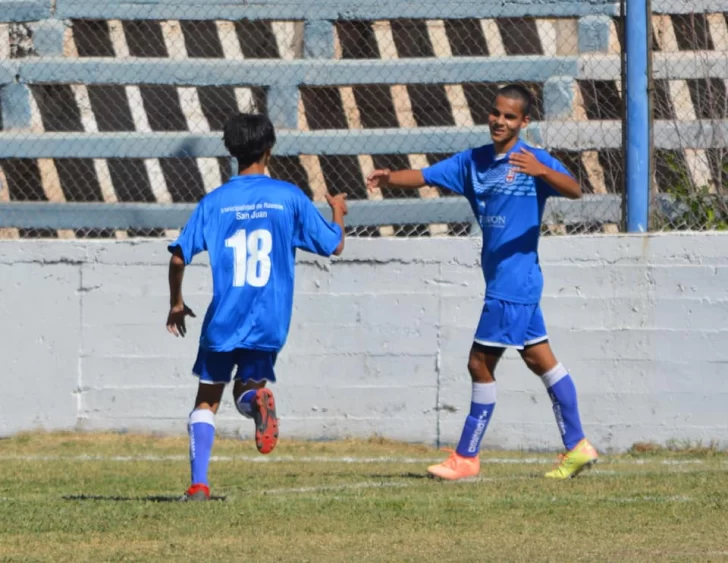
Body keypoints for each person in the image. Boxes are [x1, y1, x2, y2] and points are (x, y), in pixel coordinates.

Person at [366, 84, 598, 480]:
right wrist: (389, 178)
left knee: (478, 362)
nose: (499, 121)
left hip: (514, 283)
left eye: (510, 117)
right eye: (495, 113)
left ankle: (466, 457)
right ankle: (577, 446)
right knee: (539, 358)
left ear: (524, 123)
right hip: (510, 284)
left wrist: (544, 171)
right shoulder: (473, 162)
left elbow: (576, 190)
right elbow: (423, 175)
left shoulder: (533, 162)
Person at [166, 113, 348, 500]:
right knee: (245, 390)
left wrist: (177, 303)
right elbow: (334, 245)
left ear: (231, 151)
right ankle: (254, 401)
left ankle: (199, 485)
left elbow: (179, 258)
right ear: (269, 149)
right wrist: (338, 213)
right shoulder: (288, 197)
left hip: (224, 319)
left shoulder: (214, 203)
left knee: (207, 400)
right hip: (269, 320)